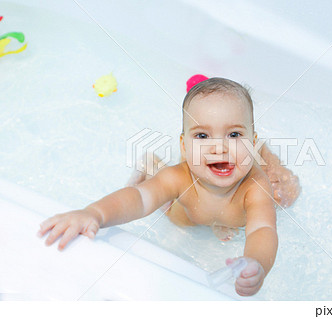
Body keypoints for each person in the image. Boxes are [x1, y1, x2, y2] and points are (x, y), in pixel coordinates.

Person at [37, 77, 300, 296]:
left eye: (234, 135)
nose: (219, 146)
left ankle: (257, 167)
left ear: (251, 144)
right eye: (202, 135)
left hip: (237, 210)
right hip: (188, 215)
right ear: (184, 147)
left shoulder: (254, 185)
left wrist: (257, 263)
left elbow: (262, 230)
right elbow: (138, 199)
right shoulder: (180, 177)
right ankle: (152, 164)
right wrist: (93, 213)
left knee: (283, 194)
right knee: (172, 213)